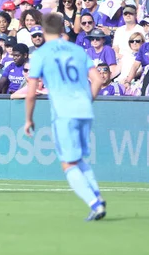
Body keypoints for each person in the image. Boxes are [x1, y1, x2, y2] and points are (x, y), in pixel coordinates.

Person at [24, 13, 106, 221]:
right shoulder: (79, 51)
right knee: (77, 159)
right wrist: (88, 101)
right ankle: (96, 196)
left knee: (67, 163)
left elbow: (31, 92)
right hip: (84, 109)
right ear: (63, 29)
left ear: (42, 31)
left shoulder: (41, 54)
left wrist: (28, 119)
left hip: (64, 112)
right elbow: (97, 79)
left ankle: (95, 204)